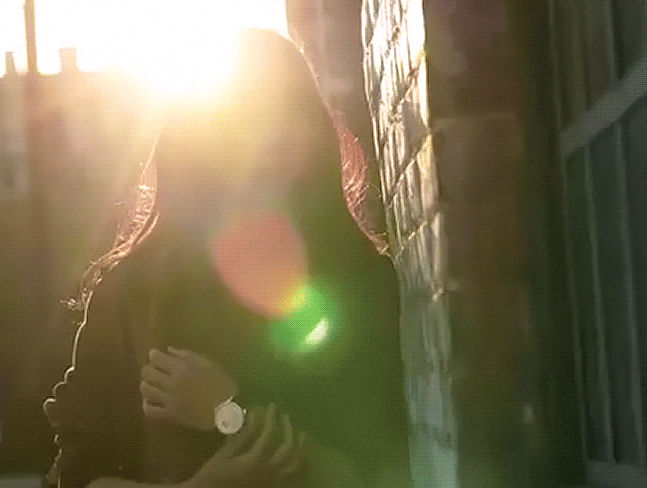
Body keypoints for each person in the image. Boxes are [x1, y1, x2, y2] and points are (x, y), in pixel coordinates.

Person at [43, 28, 410, 488]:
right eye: (245, 119)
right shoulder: (135, 290)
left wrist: (228, 413)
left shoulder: (358, 279)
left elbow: (376, 472)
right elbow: (77, 476)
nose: (270, 140)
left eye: (287, 113)